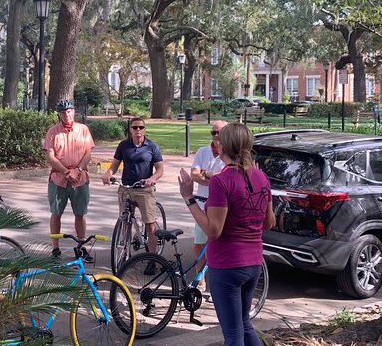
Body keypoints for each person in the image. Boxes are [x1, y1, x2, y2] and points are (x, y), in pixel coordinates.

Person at [178, 123, 275, 346]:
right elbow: (269, 223)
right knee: (244, 324)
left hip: (227, 265)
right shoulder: (262, 177)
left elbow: (213, 230)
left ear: (223, 147)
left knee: (232, 335)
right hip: (253, 264)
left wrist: (189, 199)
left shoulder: (221, 181)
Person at [102, 117, 164, 273]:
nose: (138, 130)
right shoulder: (123, 145)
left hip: (144, 190)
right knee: (125, 222)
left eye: (141, 127)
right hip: (126, 188)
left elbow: (160, 170)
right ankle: (124, 254)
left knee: (150, 224)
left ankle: (152, 259)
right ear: (130, 129)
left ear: (145, 129)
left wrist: (152, 179)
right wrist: (108, 174)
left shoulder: (152, 146)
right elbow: (114, 166)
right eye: (135, 127)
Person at [44, 99, 95, 262]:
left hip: (80, 177)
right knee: (56, 213)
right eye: (63, 112)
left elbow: (88, 153)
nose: (66, 114)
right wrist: (66, 171)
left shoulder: (83, 129)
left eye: (69, 111)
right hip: (59, 178)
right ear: (59, 115)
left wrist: (78, 170)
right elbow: (51, 157)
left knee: (80, 213)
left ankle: (81, 246)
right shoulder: (53, 132)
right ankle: (55, 248)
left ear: (74, 111)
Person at [190, 120, 228, 293]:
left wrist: (211, 176)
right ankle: (201, 280)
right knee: (199, 243)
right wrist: (216, 178)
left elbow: (230, 178)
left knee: (220, 246)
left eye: (219, 132)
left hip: (222, 206)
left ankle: (215, 285)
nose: (216, 136)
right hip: (202, 203)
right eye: (213, 132)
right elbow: (194, 175)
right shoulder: (203, 152)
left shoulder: (230, 154)